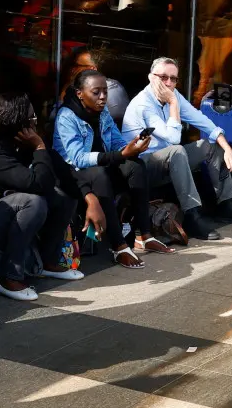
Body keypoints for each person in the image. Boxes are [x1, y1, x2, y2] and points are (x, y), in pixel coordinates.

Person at [0, 93, 85, 301]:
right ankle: (9, 277)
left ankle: (47, 260)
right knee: (33, 202)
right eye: (32, 118)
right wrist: (40, 147)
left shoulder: (12, 142)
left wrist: (89, 196)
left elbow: (55, 175)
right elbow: (38, 184)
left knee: (63, 197)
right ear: (18, 123)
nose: (36, 122)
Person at [121, 57, 232, 241]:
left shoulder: (172, 95)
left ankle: (226, 202)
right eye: (163, 77)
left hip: (168, 160)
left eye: (173, 78)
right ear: (151, 78)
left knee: (210, 144)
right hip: (143, 166)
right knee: (176, 150)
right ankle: (193, 215)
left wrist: (227, 147)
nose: (169, 83)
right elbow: (173, 138)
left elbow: (201, 120)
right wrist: (174, 104)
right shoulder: (143, 104)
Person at [54, 68, 171, 268]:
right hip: (75, 174)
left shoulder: (103, 112)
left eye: (105, 92)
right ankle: (118, 246)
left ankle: (144, 234)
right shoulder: (66, 117)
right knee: (100, 175)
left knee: (135, 165)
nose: (102, 97)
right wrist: (119, 155)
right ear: (80, 93)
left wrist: (131, 147)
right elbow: (77, 158)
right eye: (96, 92)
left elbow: (116, 142)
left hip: (102, 166)